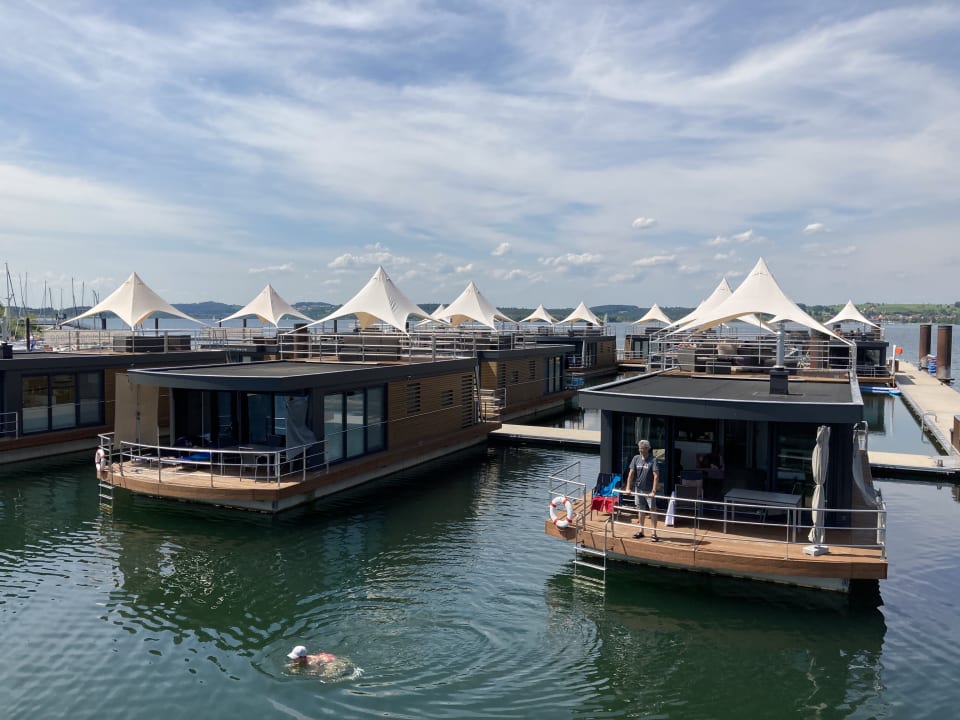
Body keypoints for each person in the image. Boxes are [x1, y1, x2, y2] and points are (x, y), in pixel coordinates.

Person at [623, 439, 660, 541]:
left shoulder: (653, 460)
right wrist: (628, 488)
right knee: (640, 509)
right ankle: (641, 531)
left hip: (649, 490)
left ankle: (654, 533)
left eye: (643, 449)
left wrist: (653, 491)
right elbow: (631, 474)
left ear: (648, 449)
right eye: (639, 449)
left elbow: (656, 476)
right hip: (638, 489)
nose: (641, 451)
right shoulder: (636, 458)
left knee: (653, 510)